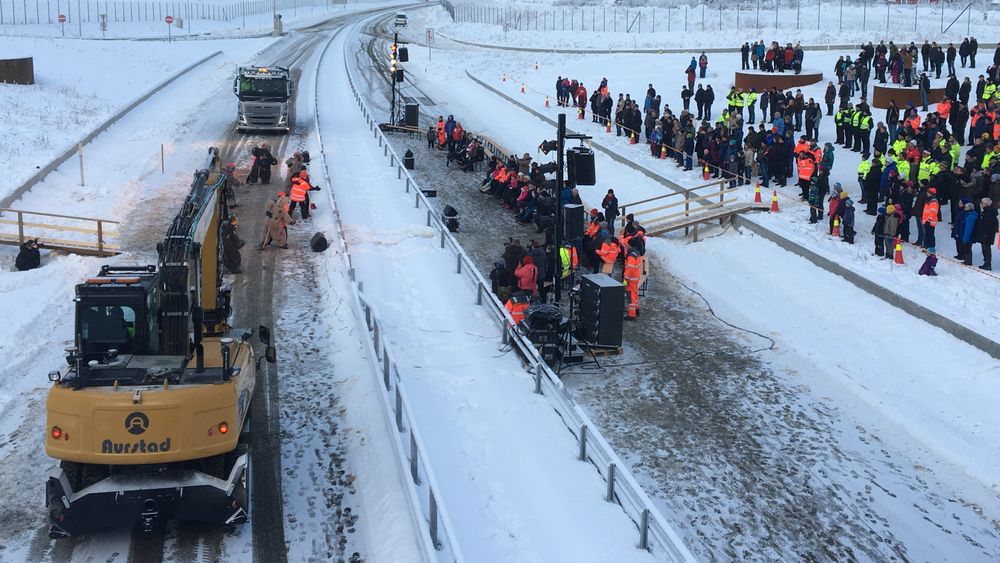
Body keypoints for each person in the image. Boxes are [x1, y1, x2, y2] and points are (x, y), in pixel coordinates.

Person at [974, 198, 997, 269]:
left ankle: (987, 264)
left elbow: (988, 225)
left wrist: (985, 234)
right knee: (986, 249)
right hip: (987, 234)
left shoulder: (988, 213)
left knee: (986, 249)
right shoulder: (987, 211)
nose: (981, 204)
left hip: (986, 235)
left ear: (986, 204)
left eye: (982, 202)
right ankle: (986, 263)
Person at [623, 246, 642, 320]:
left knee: (630, 297)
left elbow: (630, 269)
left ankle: (631, 315)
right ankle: (636, 310)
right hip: (635, 279)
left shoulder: (631, 257)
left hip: (631, 280)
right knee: (635, 295)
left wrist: (625, 280)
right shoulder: (636, 255)